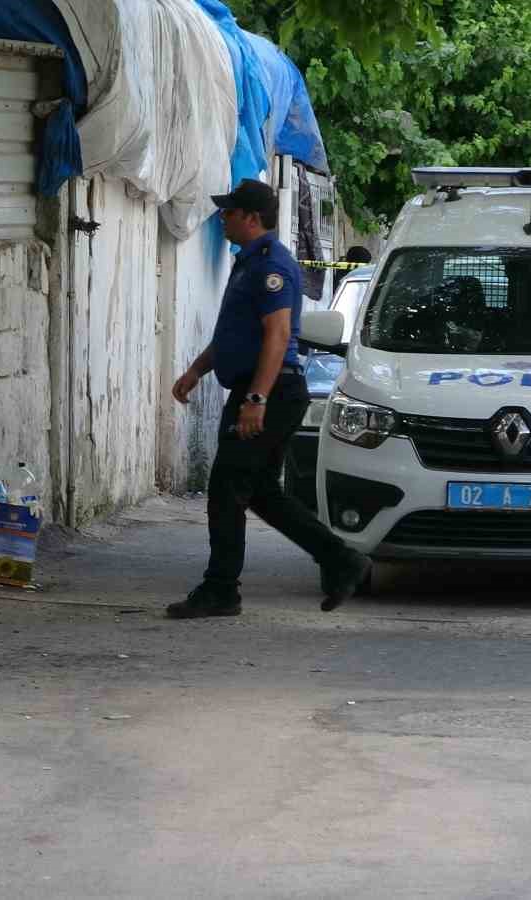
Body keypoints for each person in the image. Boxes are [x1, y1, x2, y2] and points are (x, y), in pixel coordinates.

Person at [166, 179, 372, 619]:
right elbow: (236, 334)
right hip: (262, 389)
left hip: (272, 391)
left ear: (252, 218)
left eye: (230, 212)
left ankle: (221, 588)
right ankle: (340, 559)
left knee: (225, 487)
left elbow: (277, 336)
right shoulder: (247, 263)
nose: (222, 219)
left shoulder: (272, 265)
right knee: (257, 491)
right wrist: (196, 370)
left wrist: (256, 399)